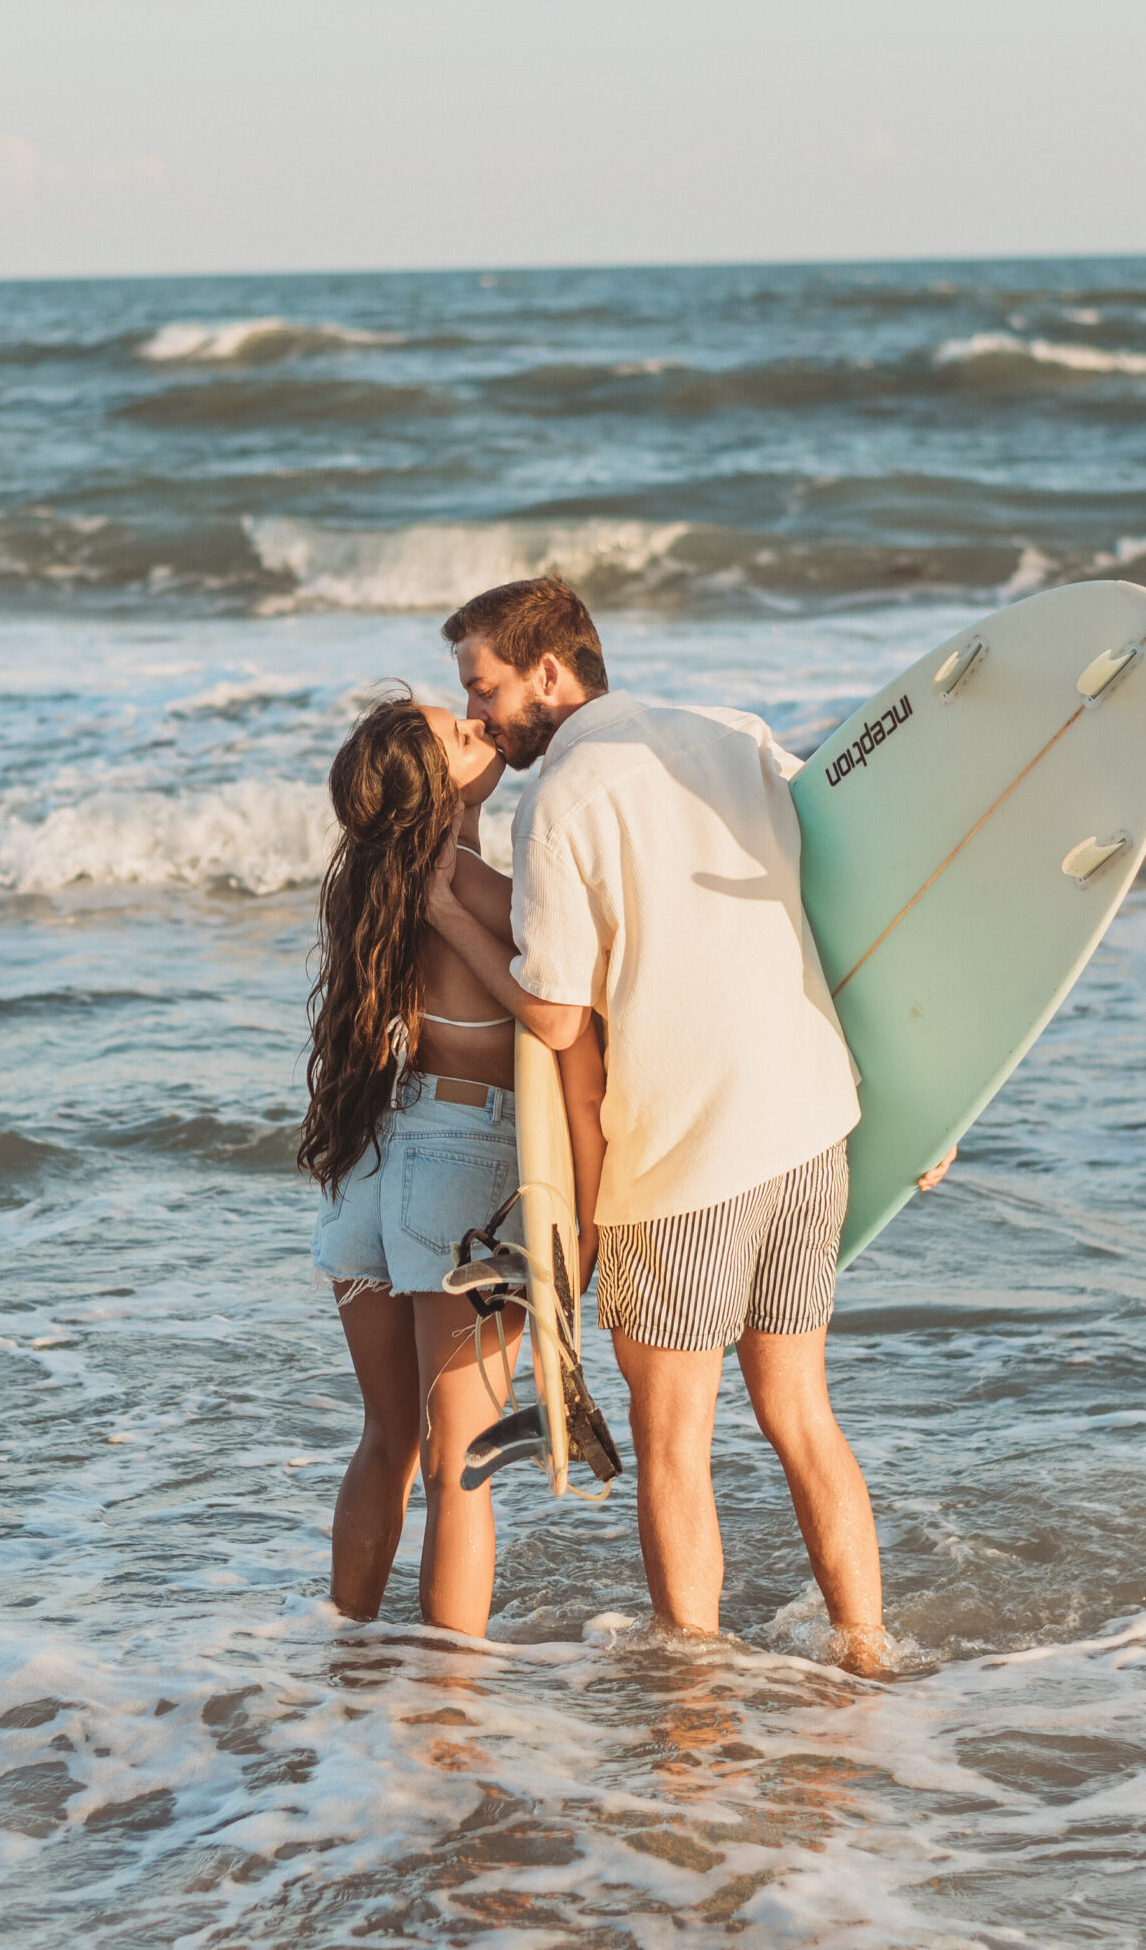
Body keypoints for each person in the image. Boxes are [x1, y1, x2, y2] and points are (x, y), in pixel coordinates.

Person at [424, 576, 939, 1678]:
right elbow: (856, 898)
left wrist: (448, 923)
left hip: (684, 1155)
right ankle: (867, 1648)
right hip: (810, 1126)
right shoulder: (733, 732)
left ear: (550, 672)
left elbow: (556, 1011)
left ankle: (693, 1686)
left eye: (486, 688)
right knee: (801, 1410)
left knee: (673, 1443)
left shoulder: (559, 795)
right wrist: (930, 1099)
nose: (478, 717)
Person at [300, 688, 604, 1638]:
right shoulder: (468, 880)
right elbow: (573, 994)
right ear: (433, 789)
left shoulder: (367, 880)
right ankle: (449, 1698)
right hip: (462, 1162)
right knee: (462, 1463)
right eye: (458, 734)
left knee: (388, 1438)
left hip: (377, 1157)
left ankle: (341, 1650)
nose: (481, 730)